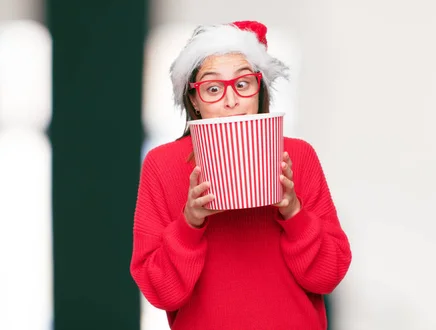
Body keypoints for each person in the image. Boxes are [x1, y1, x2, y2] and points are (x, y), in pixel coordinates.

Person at [129, 20, 352, 330]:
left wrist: (293, 212)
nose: (231, 100)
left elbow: (329, 275)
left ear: (258, 89)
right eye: (213, 88)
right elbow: (160, 291)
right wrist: (190, 222)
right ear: (193, 99)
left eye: (243, 84)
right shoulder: (162, 165)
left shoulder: (298, 156)